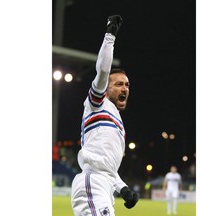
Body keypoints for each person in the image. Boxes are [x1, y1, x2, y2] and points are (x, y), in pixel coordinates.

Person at [71, 15, 139, 216]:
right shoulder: (97, 104)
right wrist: (110, 35)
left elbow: (107, 167)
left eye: (127, 84)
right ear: (106, 89)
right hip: (92, 182)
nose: (124, 87)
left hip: (104, 187)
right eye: (118, 84)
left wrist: (122, 188)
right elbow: (102, 70)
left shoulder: (117, 122)